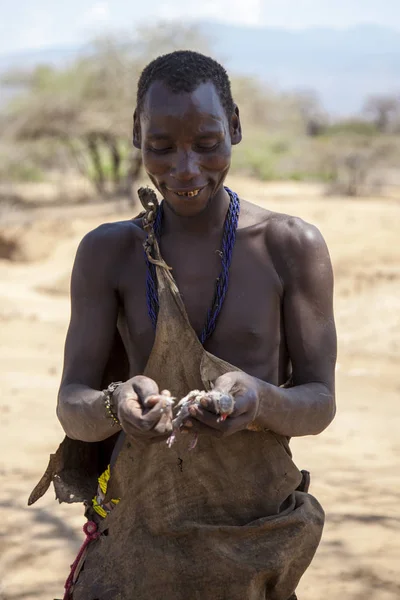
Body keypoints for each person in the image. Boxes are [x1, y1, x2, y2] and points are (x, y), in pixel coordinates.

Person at [31, 50, 337, 600]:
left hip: (259, 544)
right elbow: (71, 404)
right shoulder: (110, 253)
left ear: (235, 126)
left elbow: (319, 401)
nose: (186, 168)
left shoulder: (290, 247)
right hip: (136, 548)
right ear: (136, 135)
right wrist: (116, 403)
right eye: (162, 147)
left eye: (207, 143)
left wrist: (259, 400)